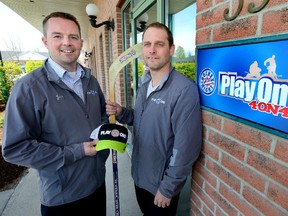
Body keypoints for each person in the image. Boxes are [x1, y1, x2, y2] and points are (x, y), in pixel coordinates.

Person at [2, 12, 109, 216]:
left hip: (96, 185)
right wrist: (77, 151)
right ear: (45, 41)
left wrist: (107, 139)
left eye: (73, 37)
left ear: (81, 42)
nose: (67, 43)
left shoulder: (90, 81)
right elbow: (15, 148)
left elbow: (101, 119)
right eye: (58, 36)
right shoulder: (29, 88)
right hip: (63, 197)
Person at [106, 22, 202, 216]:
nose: (152, 50)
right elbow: (141, 119)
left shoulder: (184, 91)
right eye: (147, 44)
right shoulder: (144, 84)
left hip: (161, 185)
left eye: (159, 44)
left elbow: (186, 148)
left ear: (171, 49)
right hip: (140, 175)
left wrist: (168, 188)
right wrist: (122, 112)